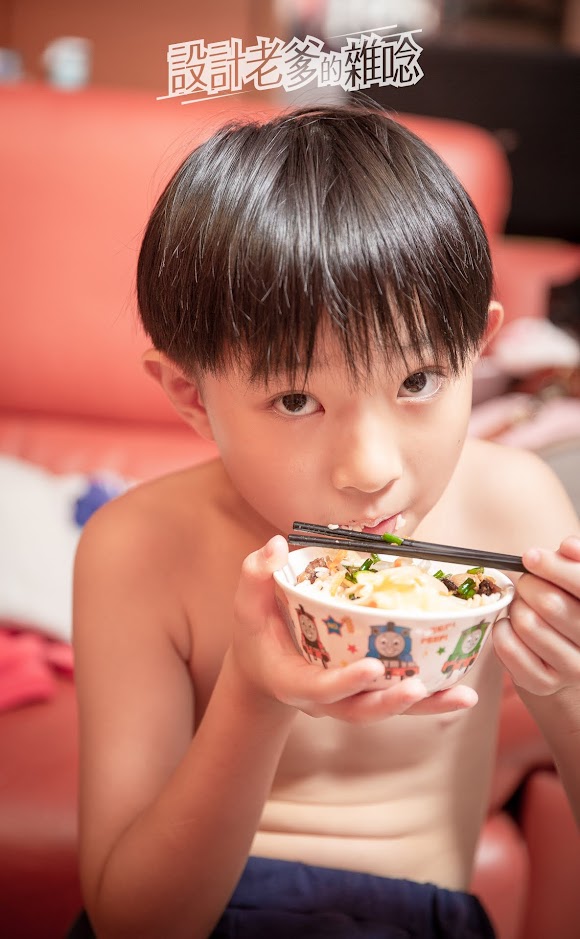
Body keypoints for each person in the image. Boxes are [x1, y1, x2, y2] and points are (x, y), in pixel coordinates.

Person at [69, 100, 580, 939]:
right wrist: (254, 694)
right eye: (297, 398)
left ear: (477, 347)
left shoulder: (513, 507)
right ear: (190, 396)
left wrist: (568, 689)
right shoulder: (138, 547)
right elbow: (135, 922)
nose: (371, 469)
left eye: (418, 381)